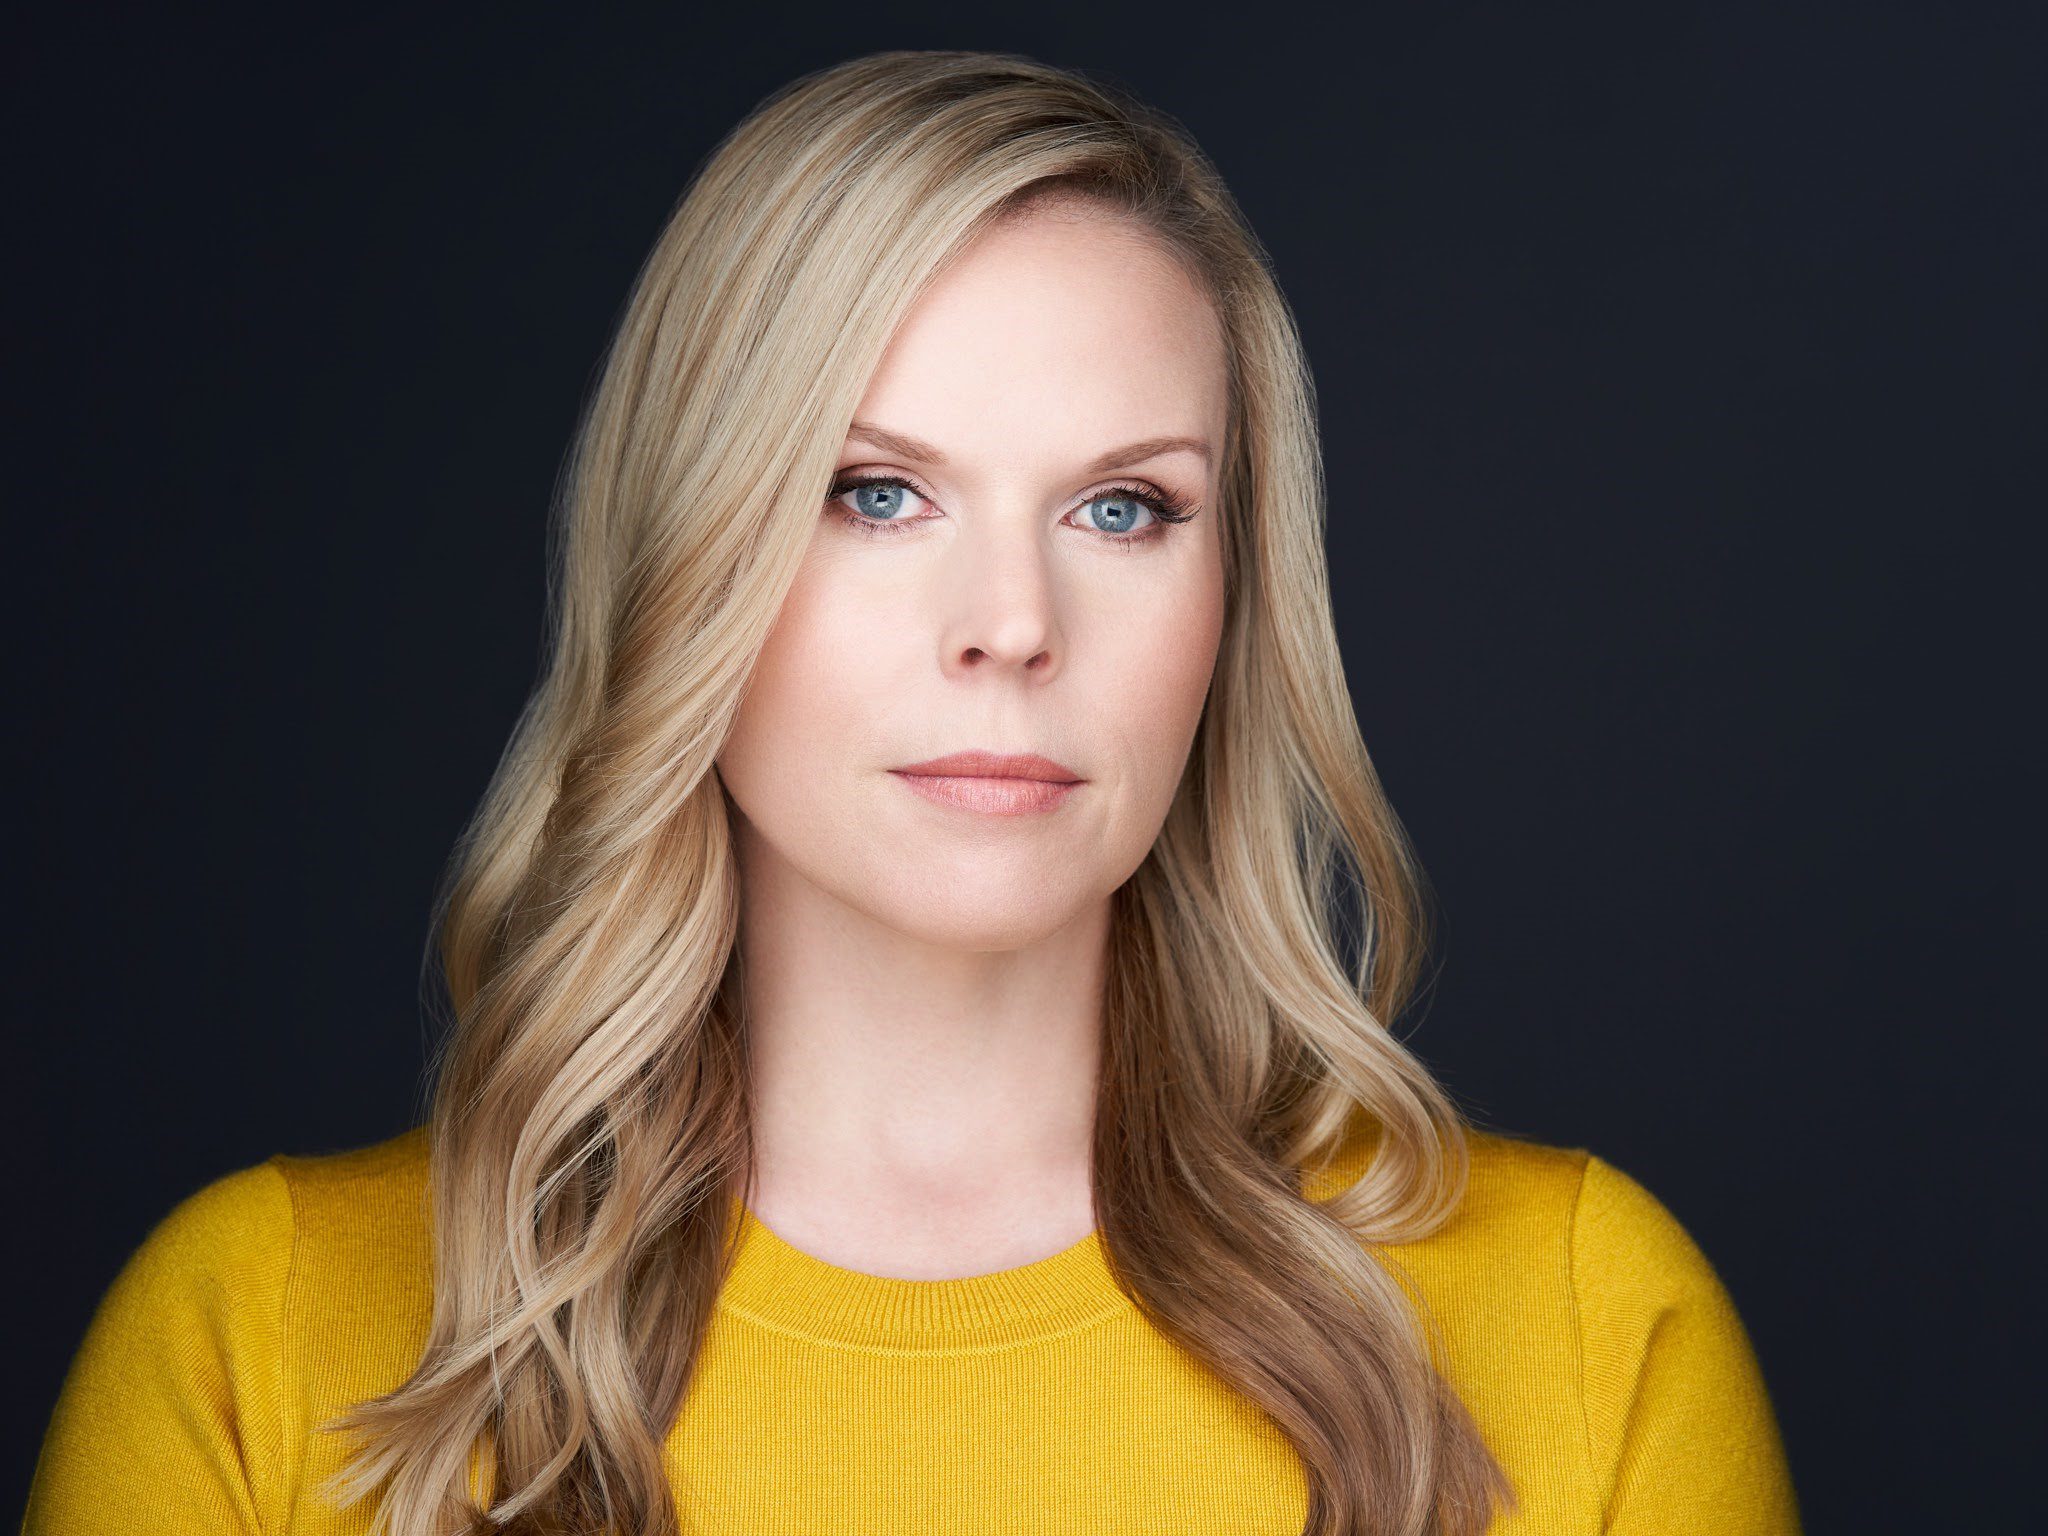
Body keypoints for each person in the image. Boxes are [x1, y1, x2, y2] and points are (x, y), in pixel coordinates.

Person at [21, 48, 1802, 1536]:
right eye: (876, 493)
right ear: (692, 557)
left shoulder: (1585, 1328)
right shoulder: (261, 1342)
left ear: (1235, 599)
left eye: (1124, 508)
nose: (1012, 624)